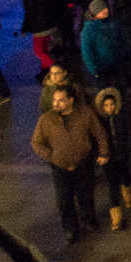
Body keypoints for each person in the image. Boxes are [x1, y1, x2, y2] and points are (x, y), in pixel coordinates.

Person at [30, 82, 109, 244]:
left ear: (71, 100)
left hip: (83, 163)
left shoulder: (85, 114)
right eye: (55, 100)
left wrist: (104, 152)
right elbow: (36, 142)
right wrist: (51, 156)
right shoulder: (46, 119)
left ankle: (88, 219)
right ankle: (70, 230)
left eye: (61, 100)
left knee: (86, 194)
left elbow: (99, 133)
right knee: (64, 200)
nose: (56, 104)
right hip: (60, 167)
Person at [92, 86, 131, 229]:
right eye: (106, 105)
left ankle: (128, 196)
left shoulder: (122, 116)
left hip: (121, 155)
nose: (109, 108)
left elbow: (129, 135)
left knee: (125, 177)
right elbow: (96, 139)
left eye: (111, 104)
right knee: (112, 185)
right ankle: (116, 219)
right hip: (108, 158)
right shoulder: (99, 121)